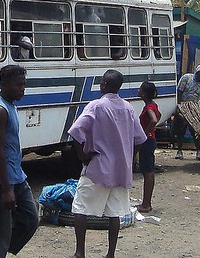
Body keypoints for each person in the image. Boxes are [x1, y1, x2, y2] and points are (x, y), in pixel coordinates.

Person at [68, 69, 147, 258]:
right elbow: (139, 139)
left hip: (98, 167)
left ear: (104, 85)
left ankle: (80, 252)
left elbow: (76, 132)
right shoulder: (128, 107)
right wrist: (129, 158)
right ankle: (110, 253)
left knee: (81, 208)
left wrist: (82, 156)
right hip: (121, 170)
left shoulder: (96, 106)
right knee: (114, 213)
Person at [0, 65, 39, 258]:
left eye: (24, 84)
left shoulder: (10, 106)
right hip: (1, 181)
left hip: (17, 176)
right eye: (18, 85)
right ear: (4, 84)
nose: (22, 89)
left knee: (31, 218)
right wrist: (6, 190)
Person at [173, 64, 200, 160]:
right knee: (181, 130)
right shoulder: (186, 78)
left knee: (195, 131)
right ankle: (179, 151)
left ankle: (198, 151)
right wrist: (179, 106)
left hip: (194, 111)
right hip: (183, 108)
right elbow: (179, 91)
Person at [136, 81, 161, 213]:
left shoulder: (149, 108)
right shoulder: (153, 105)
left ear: (144, 93)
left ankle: (146, 204)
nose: (138, 90)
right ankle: (146, 202)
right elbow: (159, 116)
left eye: (140, 89)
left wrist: (145, 133)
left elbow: (154, 120)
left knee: (147, 170)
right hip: (151, 139)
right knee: (148, 170)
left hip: (147, 141)